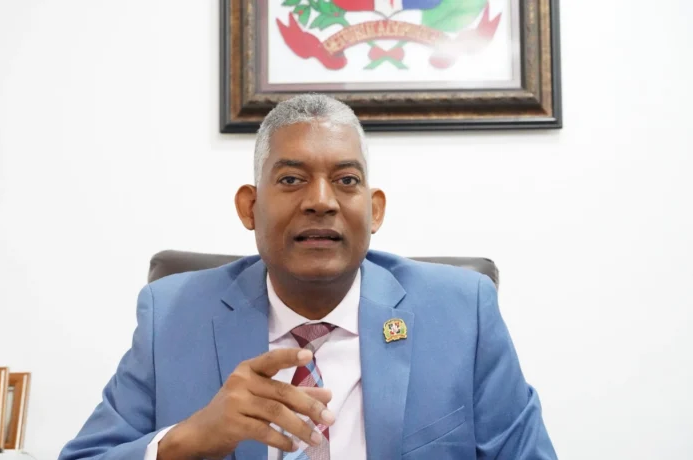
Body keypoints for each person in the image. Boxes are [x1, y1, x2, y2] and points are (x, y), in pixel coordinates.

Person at [59, 94, 557, 459]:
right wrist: (186, 439)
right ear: (249, 207)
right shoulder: (171, 314)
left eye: (346, 180)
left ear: (375, 210)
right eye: (292, 179)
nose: (321, 201)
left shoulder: (462, 312)